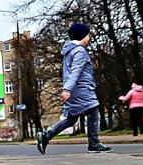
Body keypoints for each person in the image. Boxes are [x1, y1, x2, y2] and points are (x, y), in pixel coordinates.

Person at [37, 23, 112, 154]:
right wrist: (67, 89)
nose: (89, 37)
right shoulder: (79, 51)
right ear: (82, 36)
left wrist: (68, 89)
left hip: (74, 90)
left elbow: (69, 72)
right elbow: (75, 71)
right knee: (93, 112)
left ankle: (46, 136)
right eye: (88, 35)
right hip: (81, 88)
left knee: (71, 119)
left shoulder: (69, 51)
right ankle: (93, 144)